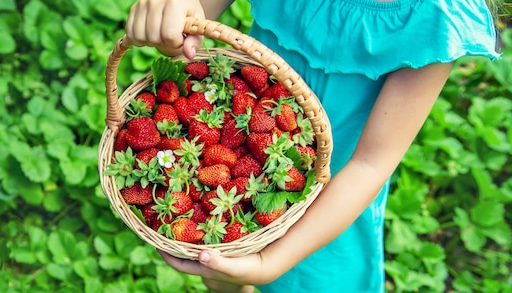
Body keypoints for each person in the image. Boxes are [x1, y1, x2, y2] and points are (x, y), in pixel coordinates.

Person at [125, 0, 501, 292]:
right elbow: (195, 13)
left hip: (336, 198)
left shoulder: (432, 16)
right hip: (236, 153)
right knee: (221, 268)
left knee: (318, 279)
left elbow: (370, 164)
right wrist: (172, 15)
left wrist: (272, 262)